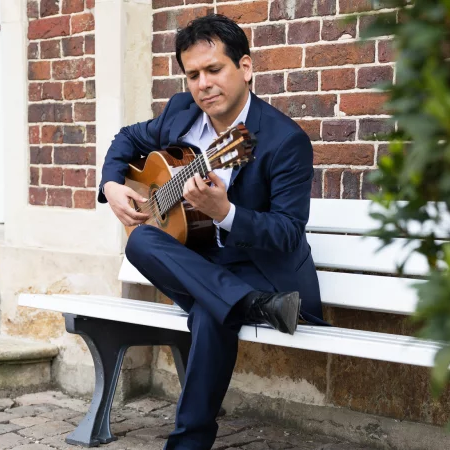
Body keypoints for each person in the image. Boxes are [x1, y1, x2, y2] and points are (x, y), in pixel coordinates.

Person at [97, 14, 325, 450]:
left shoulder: (284, 140)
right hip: (206, 267)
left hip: (261, 270)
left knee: (210, 310)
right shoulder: (181, 114)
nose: (203, 84)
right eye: (193, 75)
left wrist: (226, 214)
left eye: (214, 69)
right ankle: (249, 306)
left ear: (245, 67)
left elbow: (289, 234)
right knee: (142, 239)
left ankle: (188, 443)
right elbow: (127, 138)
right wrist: (111, 185)